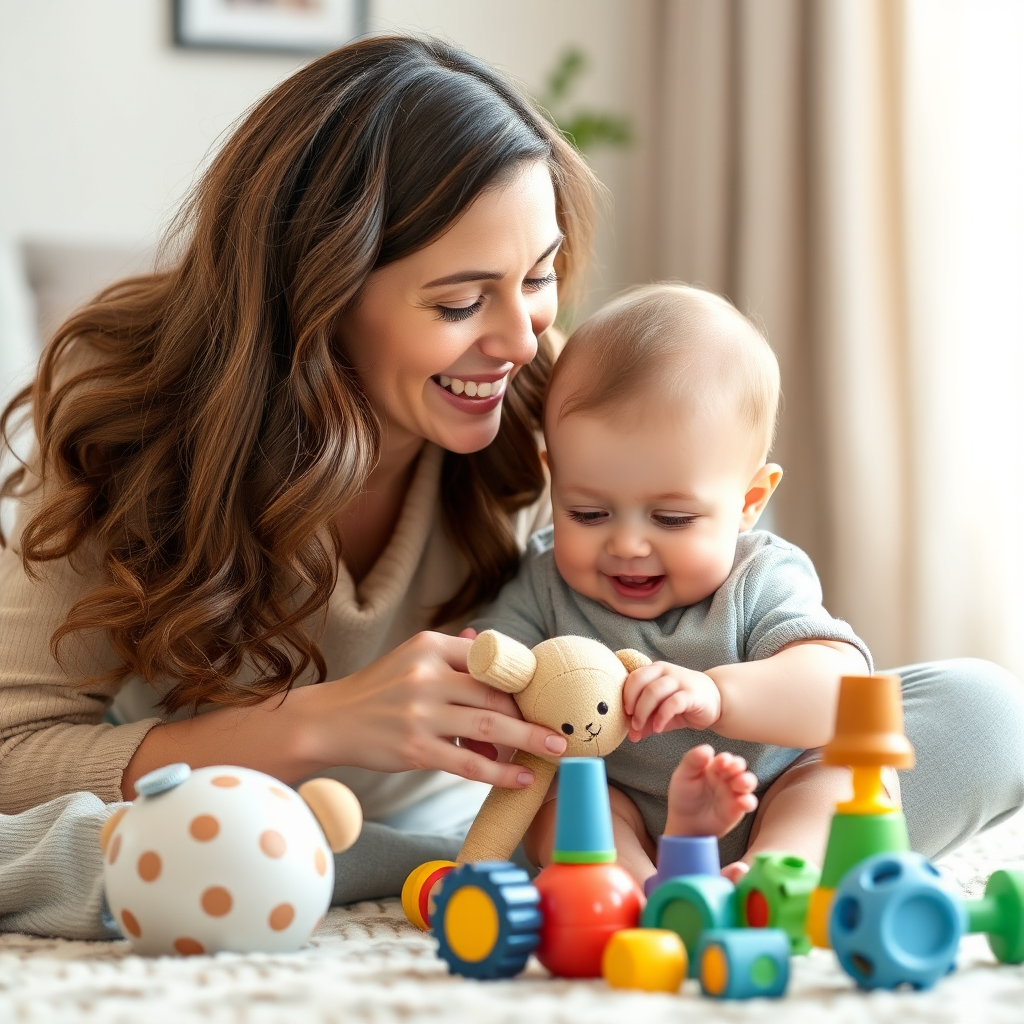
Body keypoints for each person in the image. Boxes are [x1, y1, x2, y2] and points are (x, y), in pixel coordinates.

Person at [0, 36, 1021, 938]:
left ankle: (727, 876)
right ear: (318, 294)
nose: (522, 338)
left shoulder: (546, 393)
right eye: (458, 300)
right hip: (295, 813)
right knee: (173, 845)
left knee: (980, 714)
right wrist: (316, 721)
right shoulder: (129, 422)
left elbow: (730, 587)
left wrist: (714, 707)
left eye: (536, 277)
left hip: (542, 804)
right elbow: (15, 754)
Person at [471, 283, 875, 884]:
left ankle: (773, 872)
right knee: (559, 800)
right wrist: (483, 699)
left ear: (749, 501)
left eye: (672, 518)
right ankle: (625, 884)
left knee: (834, 772)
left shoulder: (760, 575)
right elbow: (496, 678)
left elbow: (840, 688)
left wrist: (718, 696)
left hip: (762, 795)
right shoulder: (546, 580)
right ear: (556, 479)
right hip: (623, 807)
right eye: (588, 512)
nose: (628, 545)